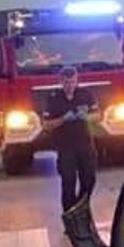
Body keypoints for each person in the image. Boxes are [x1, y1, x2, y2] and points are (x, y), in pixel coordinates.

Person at [42, 65, 100, 213]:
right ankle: (69, 215)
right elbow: (47, 125)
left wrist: (86, 117)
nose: (70, 86)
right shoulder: (53, 98)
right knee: (68, 181)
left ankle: (80, 208)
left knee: (89, 178)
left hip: (85, 144)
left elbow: (98, 115)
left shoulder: (85, 94)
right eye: (67, 82)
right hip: (65, 147)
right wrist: (64, 119)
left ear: (76, 80)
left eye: (73, 82)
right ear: (61, 81)